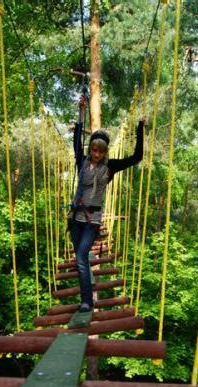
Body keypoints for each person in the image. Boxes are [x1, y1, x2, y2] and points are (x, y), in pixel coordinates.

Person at [69, 96, 145, 312]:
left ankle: (86, 302)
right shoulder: (81, 161)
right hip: (75, 218)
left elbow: (137, 157)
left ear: (105, 151)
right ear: (91, 148)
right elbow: (76, 141)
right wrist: (81, 112)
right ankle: (85, 298)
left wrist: (140, 126)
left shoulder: (110, 167)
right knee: (79, 259)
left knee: (82, 256)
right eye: (94, 149)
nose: (96, 154)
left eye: (101, 151)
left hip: (92, 219)